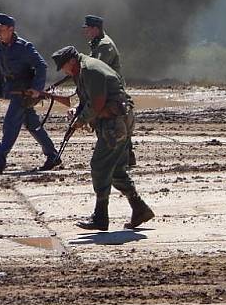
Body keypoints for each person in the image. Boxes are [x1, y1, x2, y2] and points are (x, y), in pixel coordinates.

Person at [51, 46, 154, 231]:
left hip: (115, 123)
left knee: (100, 166)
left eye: (64, 67)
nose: (64, 72)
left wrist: (80, 122)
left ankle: (100, 217)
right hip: (114, 121)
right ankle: (140, 209)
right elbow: (88, 100)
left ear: (71, 62)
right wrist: (76, 111)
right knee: (115, 171)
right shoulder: (83, 70)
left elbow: (97, 104)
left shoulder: (90, 71)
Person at [0, 13, 62, 173]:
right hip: (13, 91)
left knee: (10, 125)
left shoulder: (24, 47)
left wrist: (37, 89)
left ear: (11, 29)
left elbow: (42, 66)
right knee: (33, 125)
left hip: (24, 93)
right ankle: (53, 155)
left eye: (1, 29)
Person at [81, 15, 136, 167]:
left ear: (95, 29)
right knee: (120, 124)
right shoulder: (97, 43)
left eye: (88, 29)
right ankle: (126, 158)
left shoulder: (104, 45)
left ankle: (120, 159)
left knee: (113, 124)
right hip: (111, 88)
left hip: (112, 90)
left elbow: (98, 69)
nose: (86, 32)